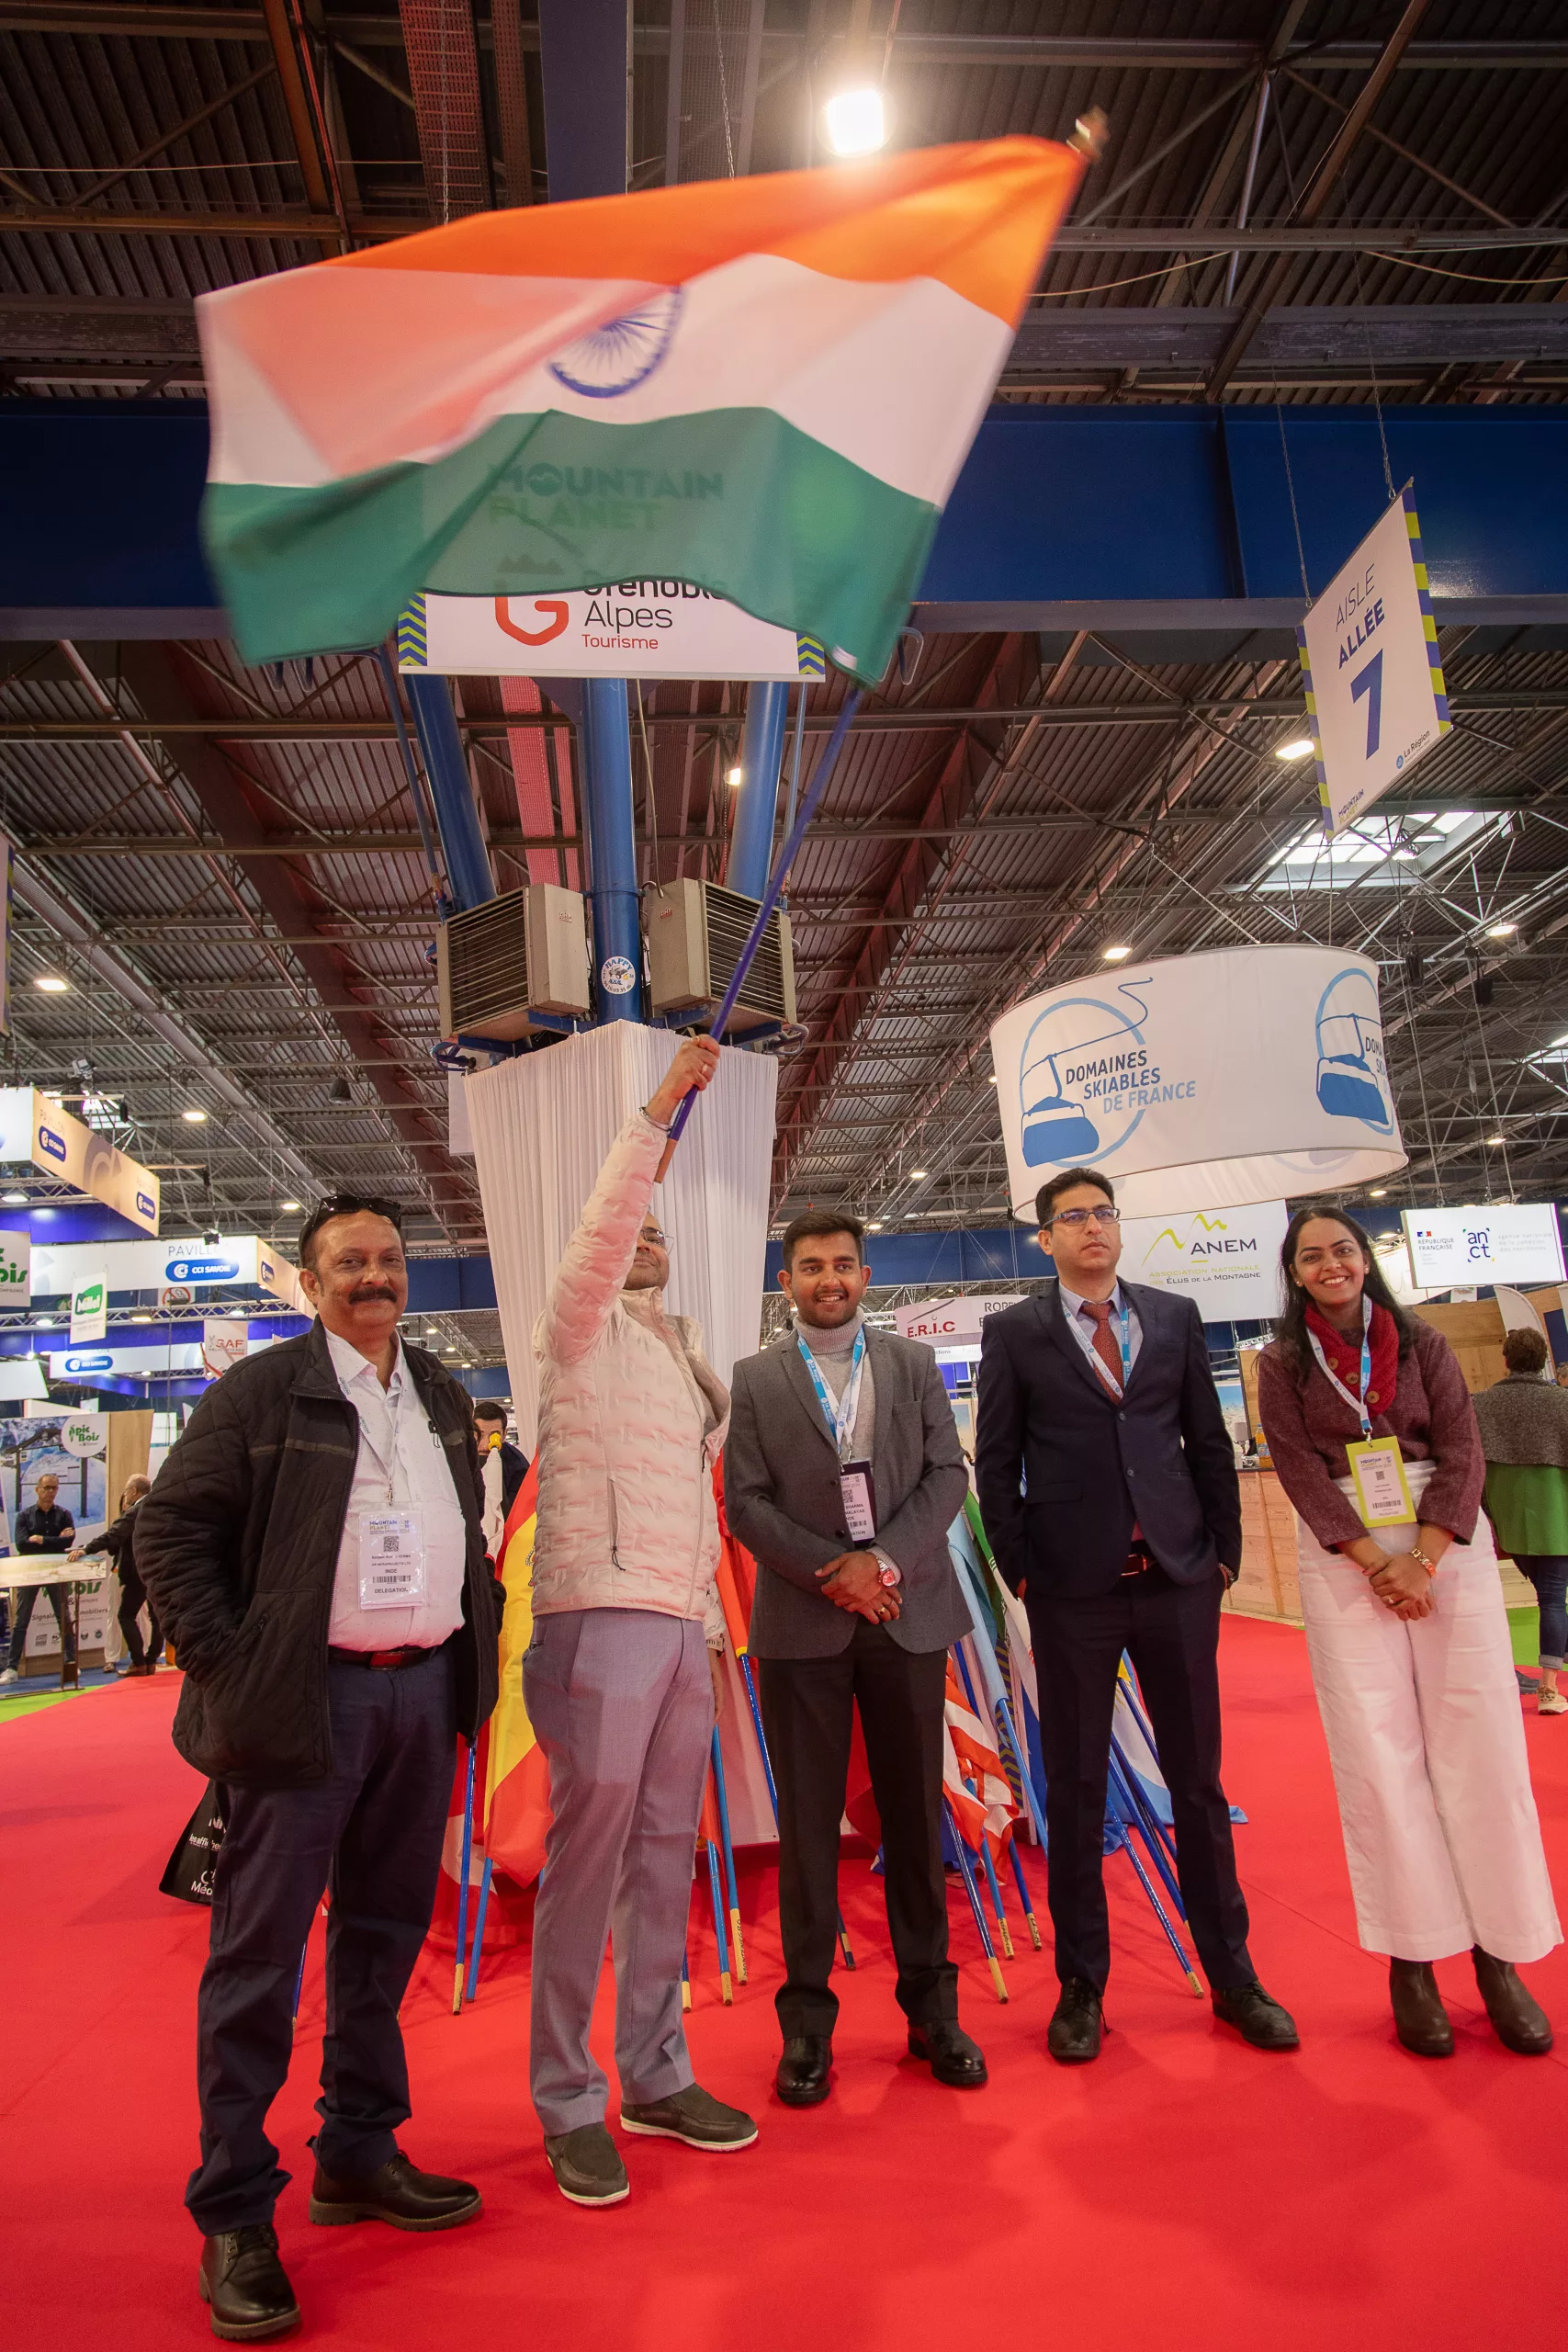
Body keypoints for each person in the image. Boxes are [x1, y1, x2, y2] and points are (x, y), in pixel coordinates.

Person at [138, 1192, 502, 2344]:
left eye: (389, 1258)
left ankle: (357, 2147)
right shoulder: (261, 1392)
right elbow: (169, 1532)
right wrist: (232, 1659)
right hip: (304, 1703)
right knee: (259, 1959)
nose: (373, 1275)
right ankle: (235, 2211)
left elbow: (467, 1533)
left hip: (421, 1692)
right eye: (349, 1261)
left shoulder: (438, 1391)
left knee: (384, 1938)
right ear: (310, 1281)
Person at [975, 1168, 1297, 2063]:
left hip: (1177, 1581)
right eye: (1072, 1216)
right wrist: (1022, 1571)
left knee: (1198, 1782)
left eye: (1103, 1213)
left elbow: (1207, 1442)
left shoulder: (1174, 1317)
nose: (1092, 1227)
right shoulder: (1014, 1334)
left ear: (1118, 1229)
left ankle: (1233, 1975)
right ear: (1046, 1238)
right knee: (1076, 1787)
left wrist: (1222, 1553)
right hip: (1071, 1590)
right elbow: (996, 1464)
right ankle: (1082, 1986)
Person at [527, 1035, 757, 2209]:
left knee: (667, 1849)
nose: (646, 1239)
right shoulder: (580, 1326)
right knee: (590, 1857)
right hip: (597, 1615)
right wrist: (659, 1112)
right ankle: (568, 2098)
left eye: (662, 1233)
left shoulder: (681, 1352)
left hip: (680, 1627)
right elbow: (607, 1228)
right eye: (636, 1231)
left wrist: (706, 1621)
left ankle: (656, 2073)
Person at [1256, 1206, 1560, 2060]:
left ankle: (1500, 1952)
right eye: (1310, 1256)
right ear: (1293, 1273)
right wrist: (1371, 1560)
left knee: (1481, 1743)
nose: (1329, 1265)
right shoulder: (1281, 1361)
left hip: (1442, 1540)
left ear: (1364, 1259)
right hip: (1343, 1549)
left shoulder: (1422, 1342)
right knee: (1377, 1755)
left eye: (1342, 1250)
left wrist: (1421, 1559)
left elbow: (1462, 1448)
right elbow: (1294, 1466)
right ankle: (1413, 1957)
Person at [727, 1210, 984, 2109]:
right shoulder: (756, 1378)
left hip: (905, 1612)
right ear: (787, 1282)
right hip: (805, 1622)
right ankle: (806, 2026)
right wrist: (834, 1573)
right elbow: (745, 1504)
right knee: (806, 1830)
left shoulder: (911, 1364)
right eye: (810, 1266)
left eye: (842, 1264)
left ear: (865, 1275)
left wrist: (883, 1563)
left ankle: (932, 2012)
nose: (828, 1278)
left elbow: (947, 1474)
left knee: (915, 1819)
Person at [1474, 1327, 1568, 1717]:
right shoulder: (1562, 1402)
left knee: (1546, 1592)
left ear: (1506, 1360)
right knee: (1552, 1599)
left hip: (1507, 1511)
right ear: (1544, 1359)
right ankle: (1549, 1688)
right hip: (1556, 1509)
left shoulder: (1481, 1404)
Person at [71, 1473, 160, 1675]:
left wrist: (86, 1549)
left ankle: (139, 1662)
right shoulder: (158, 1508)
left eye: (127, 1490)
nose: (125, 1494)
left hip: (138, 1572)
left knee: (125, 1615)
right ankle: (151, 1660)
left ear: (134, 1491)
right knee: (156, 1617)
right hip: (158, 1571)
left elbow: (113, 1535)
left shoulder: (135, 1511)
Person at [0, 1469, 79, 1683]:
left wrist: (41, 1540)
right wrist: (54, 1540)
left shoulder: (64, 1514)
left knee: (64, 1617)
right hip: (30, 1572)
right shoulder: (24, 1516)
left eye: (54, 1488)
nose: (50, 1492)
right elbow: (22, 1544)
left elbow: (68, 1542)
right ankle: (12, 1668)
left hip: (56, 1572)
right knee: (21, 1620)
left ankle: (71, 1662)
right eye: (47, 1488)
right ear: (37, 1490)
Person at [472, 1398, 527, 1554]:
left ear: (504, 1435)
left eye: (494, 1436)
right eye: (480, 1435)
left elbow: (517, 1519)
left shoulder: (518, 1468)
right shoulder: (461, 1458)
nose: (485, 1445)